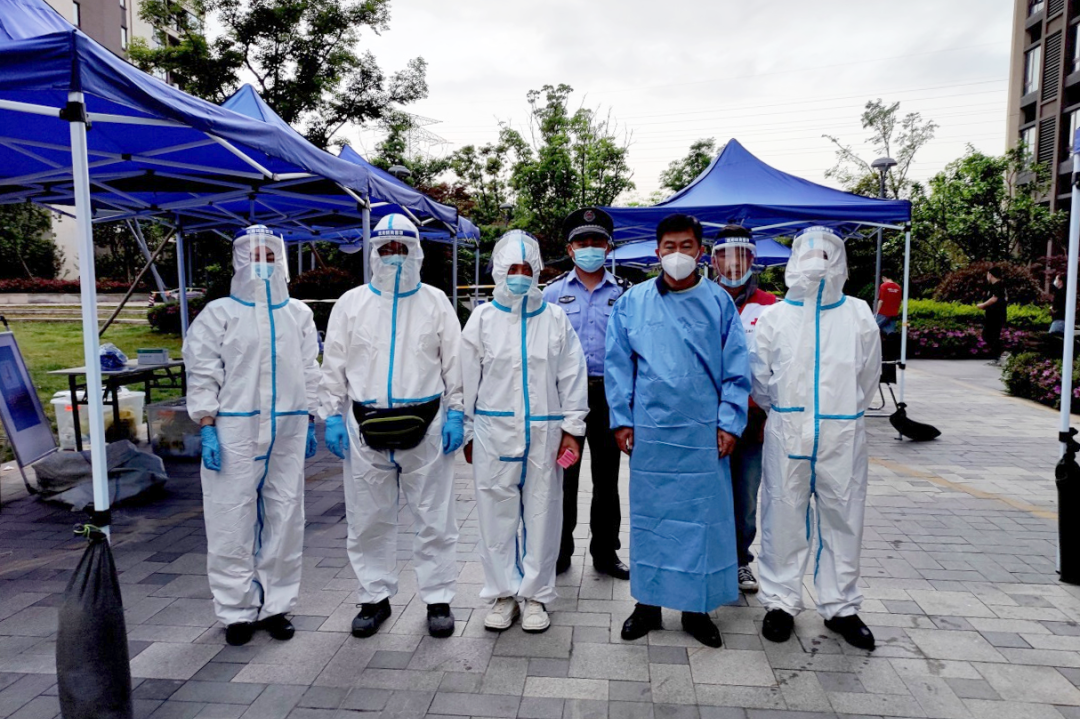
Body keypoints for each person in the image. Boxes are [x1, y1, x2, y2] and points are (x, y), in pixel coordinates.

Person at [606, 213, 751, 648]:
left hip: (703, 433)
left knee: (700, 521)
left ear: (700, 252)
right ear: (657, 252)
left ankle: (696, 608)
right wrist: (622, 419)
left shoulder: (719, 303)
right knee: (651, 519)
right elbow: (618, 364)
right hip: (651, 430)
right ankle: (647, 605)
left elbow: (737, 368)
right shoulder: (632, 302)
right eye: (669, 246)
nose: (677, 254)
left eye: (686, 246)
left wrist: (729, 422)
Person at [318, 213, 464, 639]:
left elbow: (455, 362)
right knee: (368, 518)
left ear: (416, 252)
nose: (394, 257)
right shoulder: (351, 304)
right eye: (386, 249)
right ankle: (374, 597)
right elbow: (334, 363)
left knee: (434, 517)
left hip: (428, 422)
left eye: (402, 248)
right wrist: (331, 414)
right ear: (373, 253)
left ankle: (438, 599)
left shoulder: (435, 302)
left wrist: (457, 411)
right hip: (365, 424)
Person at [183, 225, 321, 646]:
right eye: (254, 256)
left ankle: (276, 605)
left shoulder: (298, 314)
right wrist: (207, 424)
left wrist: (311, 416)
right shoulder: (219, 314)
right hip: (234, 429)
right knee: (230, 519)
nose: (262, 264)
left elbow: (309, 367)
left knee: (285, 517)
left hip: (288, 428)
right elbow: (202, 371)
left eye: (269, 256)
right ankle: (236, 610)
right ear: (240, 261)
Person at [750, 226, 881, 651]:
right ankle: (780, 602)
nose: (816, 265)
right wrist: (786, 410)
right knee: (782, 515)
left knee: (844, 515)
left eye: (825, 255)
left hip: (842, 432)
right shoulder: (775, 317)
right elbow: (760, 378)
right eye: (807, 256)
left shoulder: (858, 314)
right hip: (787, 431)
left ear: (838, 262)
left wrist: (843, 411)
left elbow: (868, 376)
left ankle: (841, 606)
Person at [461, 230, 589, 634]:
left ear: (536, 271)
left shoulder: (554, 319)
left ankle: (536, 596)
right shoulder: (482, 319)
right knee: (495, 516)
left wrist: (573, 429)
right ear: (499, 271)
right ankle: (502, 594)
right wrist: (466, 428)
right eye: (512, 268)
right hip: (493, 432)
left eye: (526, 268)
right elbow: (466, 379)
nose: (519, 275)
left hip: (545, 434)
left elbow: (572, 376)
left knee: (543, 514)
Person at [542, 207, 630, 580]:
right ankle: (559, 550)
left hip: (609, 397)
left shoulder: (625, 293)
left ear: (608, 247)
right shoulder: (551, 293)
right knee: (564, 476)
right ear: (570, 248)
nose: (589, 247)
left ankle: (606, 552)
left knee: (607, 479)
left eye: (597, 241)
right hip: (565, 401)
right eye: (582, 242)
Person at [711, 225, 776, 595]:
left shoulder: (772, 306)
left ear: (753, 259)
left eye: (741, 256)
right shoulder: (701, 298)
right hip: (706, 417)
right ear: (713, 260)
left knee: (745, 495)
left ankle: (739, 560)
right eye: (725, 256)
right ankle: (711, 559)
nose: (733, 264)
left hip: (752, 420)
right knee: (708, 492)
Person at [977, 266, 1008, 365]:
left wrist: (983, 305)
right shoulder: (993, 286)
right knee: (989, 335)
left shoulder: (999, 285)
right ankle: (998, 356)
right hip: (991, 315)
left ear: (990, 275)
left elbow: (995, 299)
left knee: (990, 335)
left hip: (996, 316)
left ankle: (1001, 354)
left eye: (987, 274)